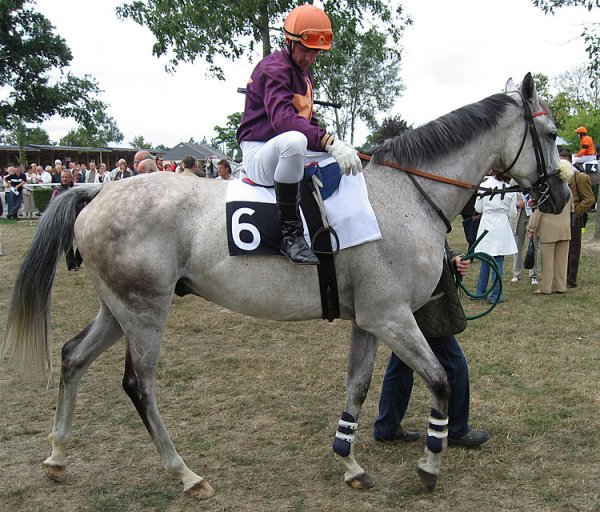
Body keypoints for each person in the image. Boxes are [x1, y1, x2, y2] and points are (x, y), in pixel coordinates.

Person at [236, 3, 362, 265]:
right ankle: (290, 235)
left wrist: (336, 144)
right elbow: (284, 121)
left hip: (282, 150)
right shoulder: (274, 68)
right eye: (306, 50)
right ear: (289, 41)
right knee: (295, 140)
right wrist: (327, 142)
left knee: (340, 151)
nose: (309, 58)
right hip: (259, 153)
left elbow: (307, 119)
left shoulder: (303, 75)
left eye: (315, 53)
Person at [373, 245, 490, 448]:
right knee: (455, 365)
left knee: (401, 364)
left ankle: (387, 427)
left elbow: (437, 244)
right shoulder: (406, 218)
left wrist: (452, 260)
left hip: (412, 306)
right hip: (424, 307)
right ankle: (457, 429)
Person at [527, 161, 574, 295]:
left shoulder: (547, 190)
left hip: (548, 230)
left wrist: (531, 229)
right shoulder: (568, 191)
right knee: (562, 261)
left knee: (547, 262)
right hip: (565, 229)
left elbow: (539, 211)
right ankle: (561, 286)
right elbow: (572, 209)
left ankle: (546, 287)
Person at [474, 170, 517, 303]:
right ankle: (495, 295)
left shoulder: (484, 185)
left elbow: (478, 208)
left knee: (485, 260)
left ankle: (480, 292)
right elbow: (513, 212)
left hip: (487, 222)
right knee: (498, 260)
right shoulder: (510, 189)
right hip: (501, 223)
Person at [50, 170, 83, 271]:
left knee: (82, 241)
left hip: (77, 219)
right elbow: (53, 205)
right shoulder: (57, 191)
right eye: (63, 177)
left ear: (71, 178)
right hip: (65, 221)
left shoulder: (76, 190)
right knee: (67, 245)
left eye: (66, 177)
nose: (64, 179)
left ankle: (78, 261)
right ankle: (71, 265)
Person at [510, 189, 539, 285]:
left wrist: (534, 202)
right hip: (519, 216)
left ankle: (533, 275)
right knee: (518, 246)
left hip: (532, 215)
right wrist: (517, 204)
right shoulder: (513, 182)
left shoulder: (534, 181)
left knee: (533, 246)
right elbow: (507, 199)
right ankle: (516, 273)